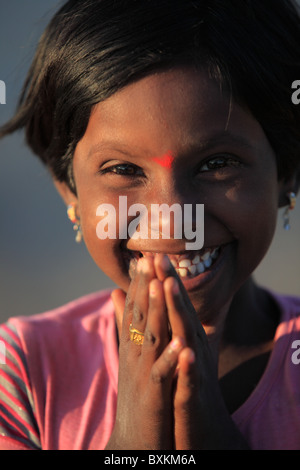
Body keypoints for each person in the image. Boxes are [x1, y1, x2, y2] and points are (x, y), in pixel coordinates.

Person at [0, 0, 300, 451]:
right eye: (123, 169)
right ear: (70, 190)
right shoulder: (22, 371)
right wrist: (137, 438)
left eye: (217, 163)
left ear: (286, 173)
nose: (172, 215)